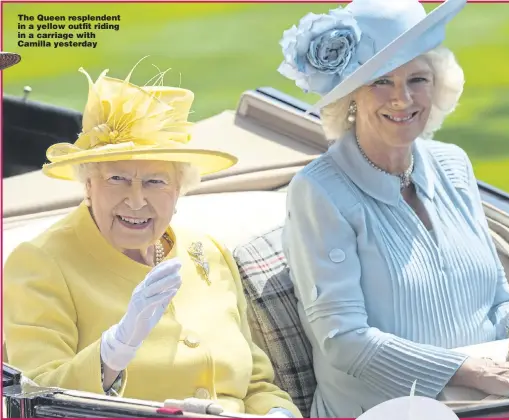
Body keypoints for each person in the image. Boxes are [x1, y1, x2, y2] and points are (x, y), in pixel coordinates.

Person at [3, 59, 301, 418]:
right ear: (88, 184)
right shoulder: (40, 263)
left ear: (179, 189)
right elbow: (37, 400)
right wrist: (112, 353)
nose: (136, 199)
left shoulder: (207, 251)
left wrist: (277, 412)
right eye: (117, 179)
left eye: (155, 181)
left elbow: (257, 385)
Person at [277, 0, 509, 417]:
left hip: (491, 395)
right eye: (381, 82)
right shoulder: (318, 192)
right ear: (351, 98)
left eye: (417, 79)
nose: (402, 98)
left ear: (438, 84)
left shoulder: (454, 164)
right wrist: (468, 371)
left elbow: (497, 295)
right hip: (381, 409)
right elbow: (343, 339)